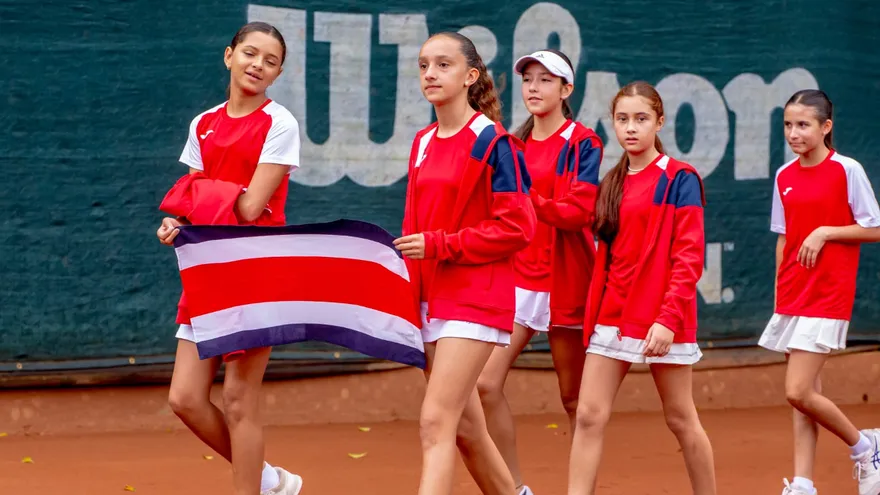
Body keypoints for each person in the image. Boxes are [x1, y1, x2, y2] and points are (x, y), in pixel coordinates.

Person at [156, 21, 303, 495]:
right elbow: (193, 200)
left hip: (258, 271)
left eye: (271, 61)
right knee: (185, 398)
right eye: (250, 53)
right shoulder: (203, 123)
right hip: (206, 272)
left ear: (278, 74)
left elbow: (247, 207)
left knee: (240, 400)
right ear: (229, 55)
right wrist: (177, 223)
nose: (257, 65)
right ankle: (268, 479)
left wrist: (197, 200)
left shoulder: (280, 124)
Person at [392, 32, 536, 495]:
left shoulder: (494, 143)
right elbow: (413, 225)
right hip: (429, 302)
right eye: (423, 65)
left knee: (435, 422)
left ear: (471, 76)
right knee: (467, 432)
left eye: (443, 65)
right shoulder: (421, 142)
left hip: (475, 299)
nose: (430, 74)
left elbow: (518, 228)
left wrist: (440, 245)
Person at [567, 81, 716, 495]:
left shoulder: (680, 179)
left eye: (641, 119)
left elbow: (689, 258)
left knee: (680, 418)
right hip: (611, 317)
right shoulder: (611, 183)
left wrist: (667, 319)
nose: (630, 128)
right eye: (622, 119)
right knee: (588, 416)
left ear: (659, 122)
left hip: (660, 317)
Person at [474, 49, 602, 495]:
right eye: (528, 79)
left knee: (574, 400)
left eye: (546, 80)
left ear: (566, 90)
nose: (533, 87)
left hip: (566, 281)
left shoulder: (585, 142)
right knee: (486, 384)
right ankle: (516, 487)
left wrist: (527, 204)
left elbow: (578, 211)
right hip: (521, 282)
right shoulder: (513, 145)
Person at [759, 89, 880, 495]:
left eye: (804, 125)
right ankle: (804, 483)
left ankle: (867, 447)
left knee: (796, 390)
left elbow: (875, 228)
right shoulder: (783, 175)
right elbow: (783, 238)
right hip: (793, 294)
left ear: (825, 127)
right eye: (789, 125)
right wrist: (781, 288)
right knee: (804, 395)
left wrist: (826, 231)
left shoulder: (848, 170)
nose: (794, 133)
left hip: (828, 294)